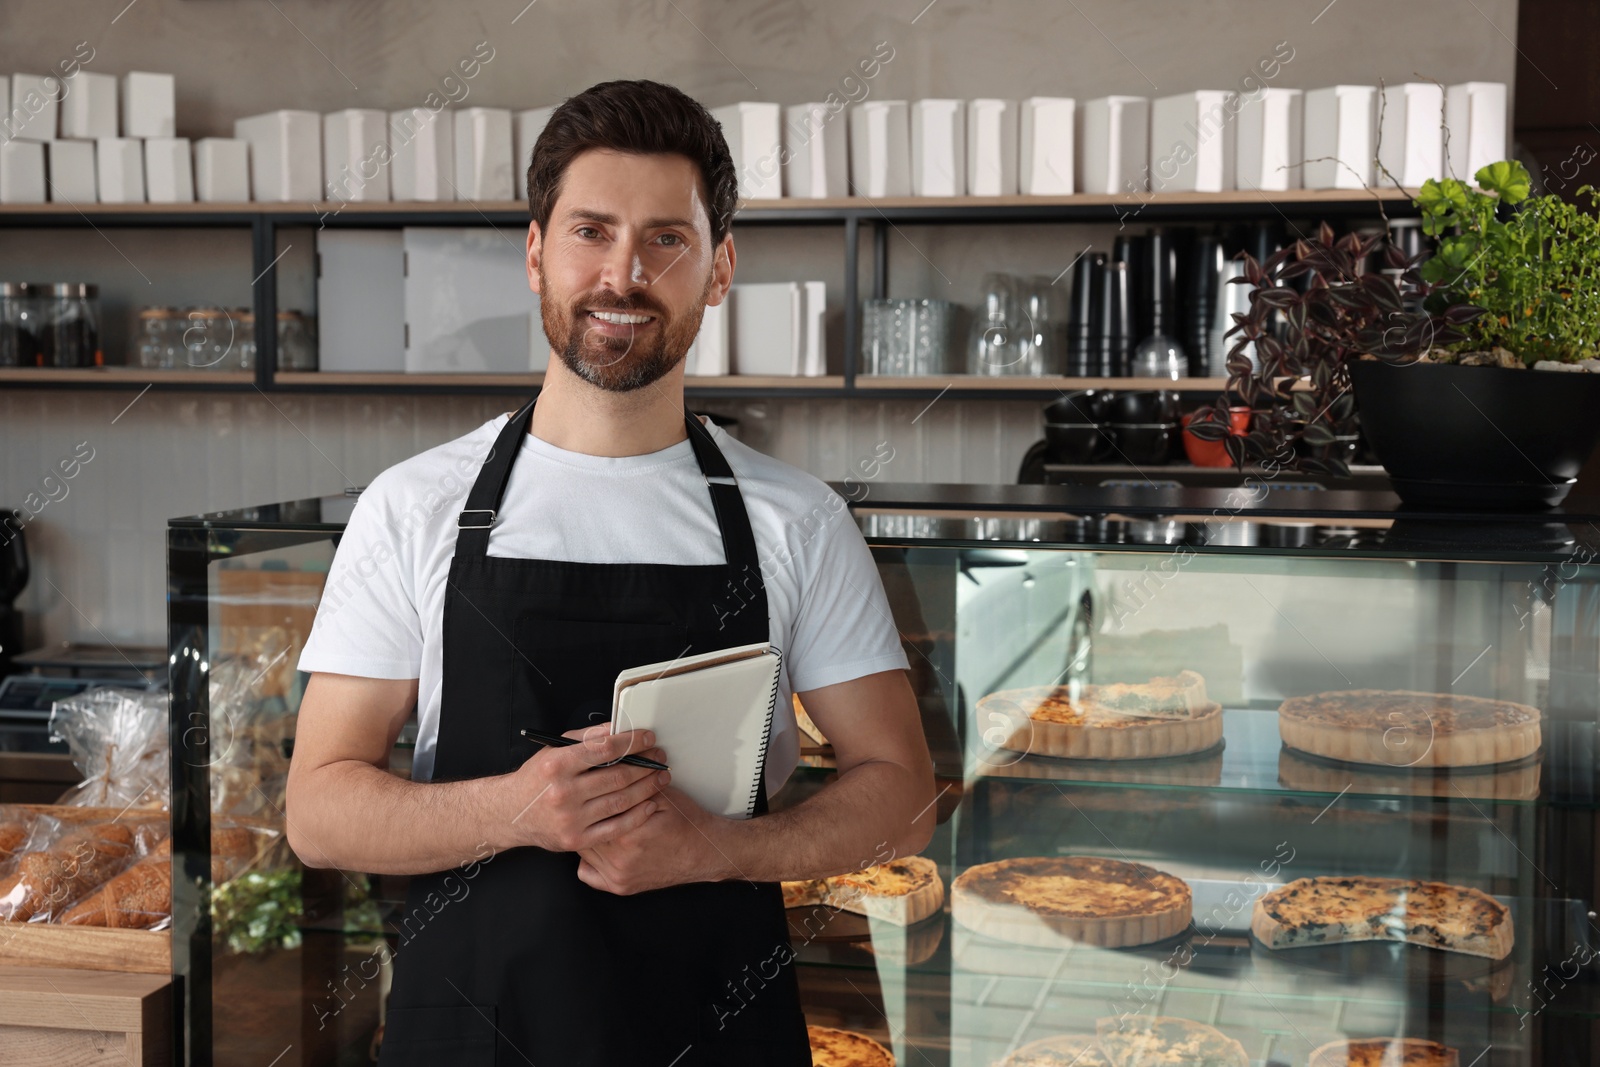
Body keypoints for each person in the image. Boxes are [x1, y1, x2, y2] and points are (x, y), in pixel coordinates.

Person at [286, 79, 936, 1066]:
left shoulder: (795, 519)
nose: (623, 272)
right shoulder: (413, 507)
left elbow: (902, 793)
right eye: (592, 231)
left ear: (718, 268)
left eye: (666, 238)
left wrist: (716, 847)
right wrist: (520, 806)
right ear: (537, 254)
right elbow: (318, 810)